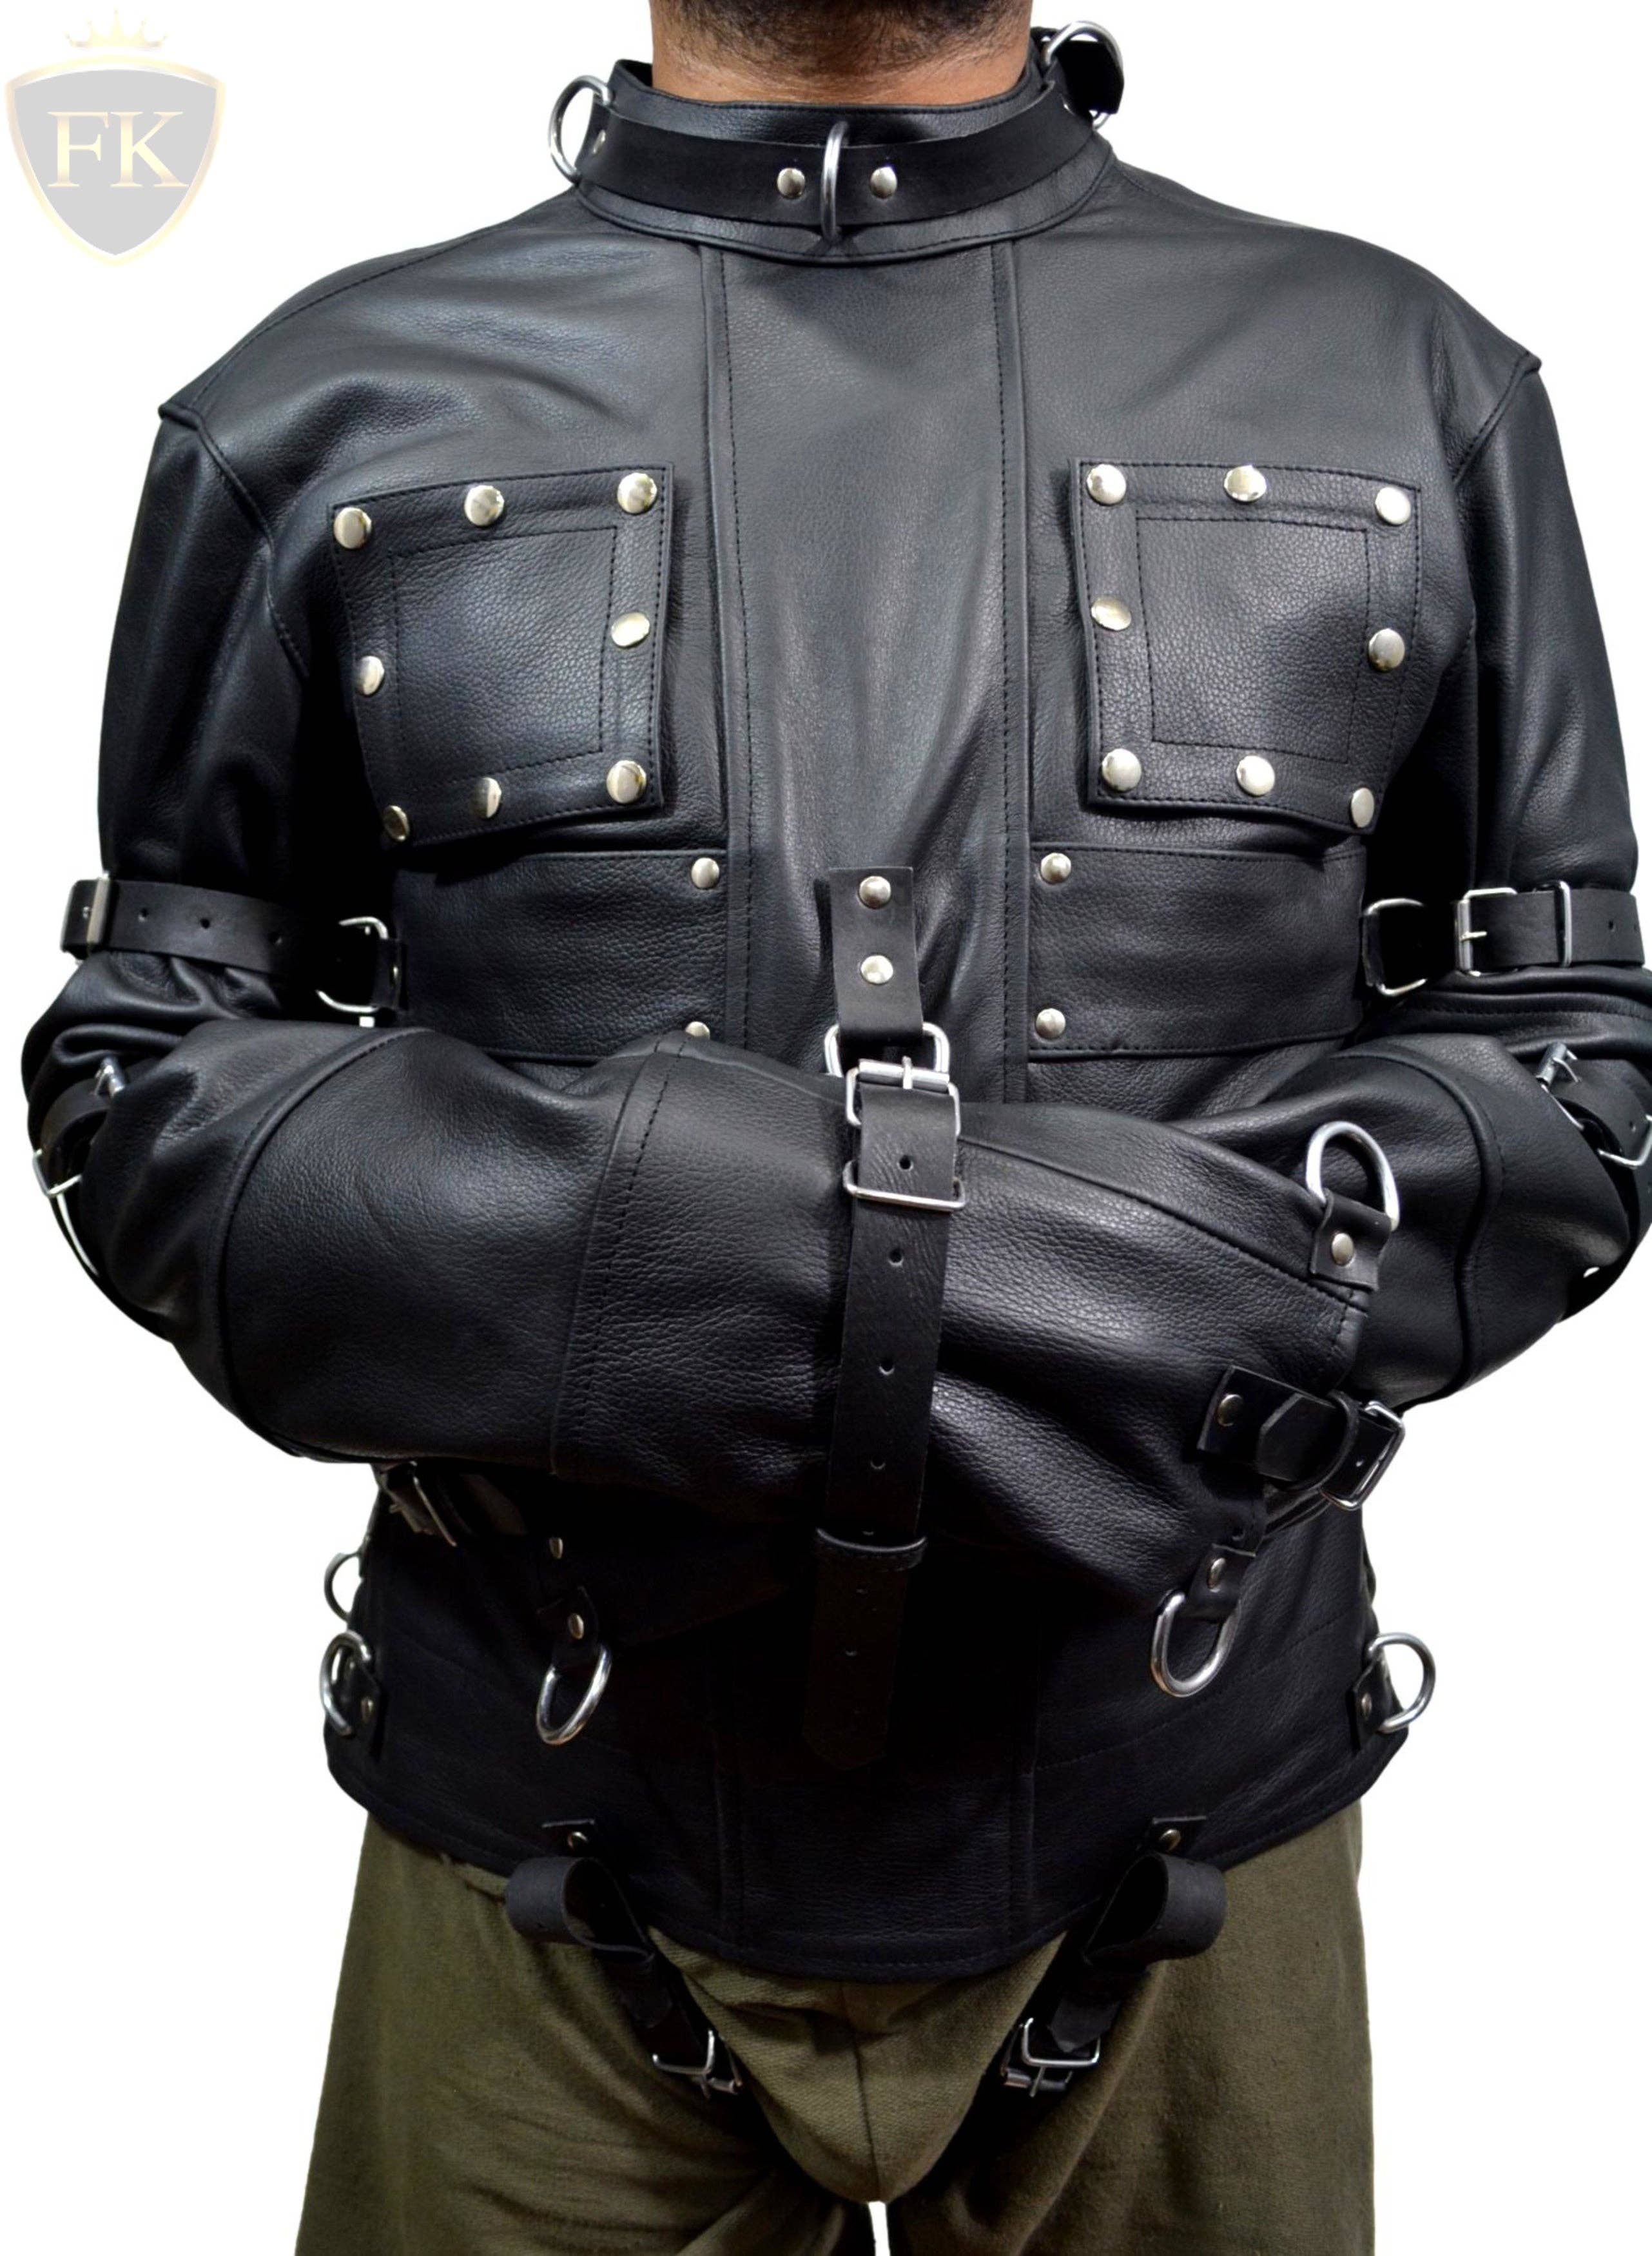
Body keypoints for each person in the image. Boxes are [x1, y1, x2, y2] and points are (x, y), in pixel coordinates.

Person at [23, 4, 1651, 2249]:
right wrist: (731, 1248)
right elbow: (147, 1081)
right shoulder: (320, 404)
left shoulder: (1404, 377)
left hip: (1187, 1827)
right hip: (540, 1840)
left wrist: (951, 1275)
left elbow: (1566, 1065)